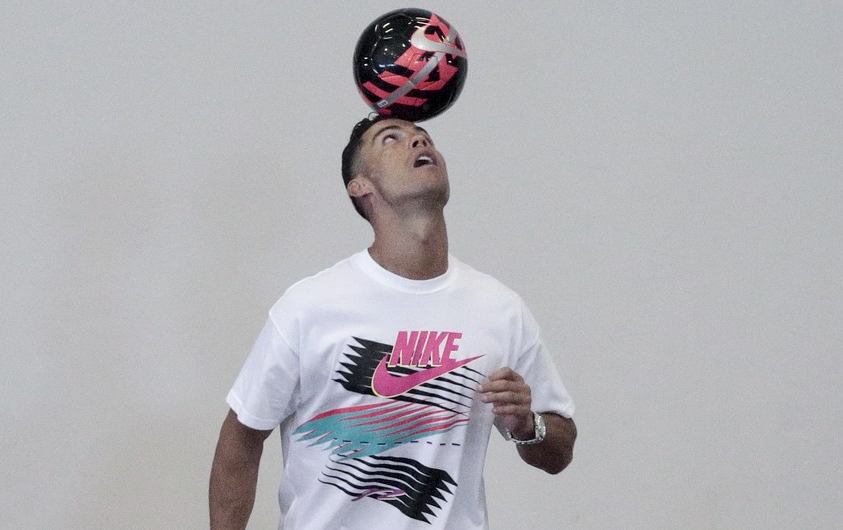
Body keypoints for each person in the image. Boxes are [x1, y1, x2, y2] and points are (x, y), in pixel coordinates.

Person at [209, 115, 577, 529]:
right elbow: (241, 437)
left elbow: (560, 450)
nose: (418, 139)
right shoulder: (309, 307)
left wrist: (528, 425)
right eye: (391, 139)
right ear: (360, 186)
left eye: (424, 136)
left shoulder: (499, 309)